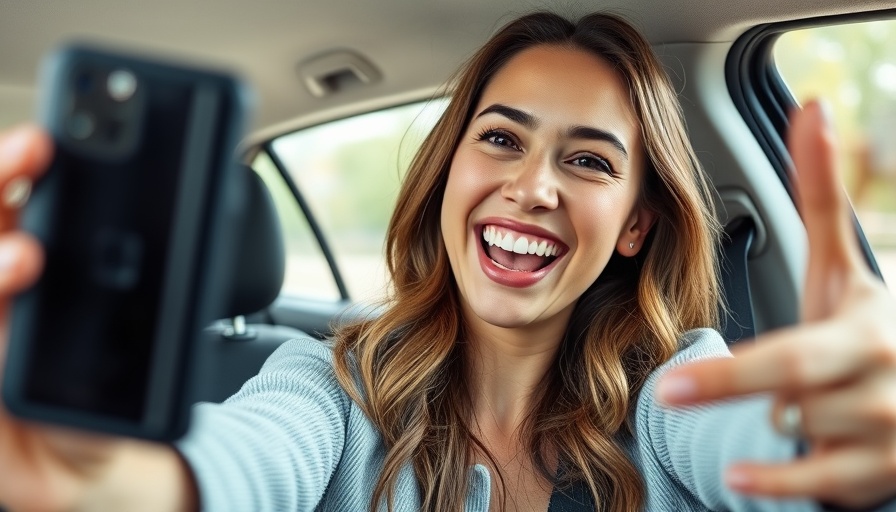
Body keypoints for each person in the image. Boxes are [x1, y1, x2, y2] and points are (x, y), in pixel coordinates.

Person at [1, 11, 895, 512]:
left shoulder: (680, 387)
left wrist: (853, 447)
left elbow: (779, 462)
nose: (532, 186)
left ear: (634, 226)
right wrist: (99, 482)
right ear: (447, 175)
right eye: (500, 138)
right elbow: (237, 465)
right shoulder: (326, 383)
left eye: (588, 161)